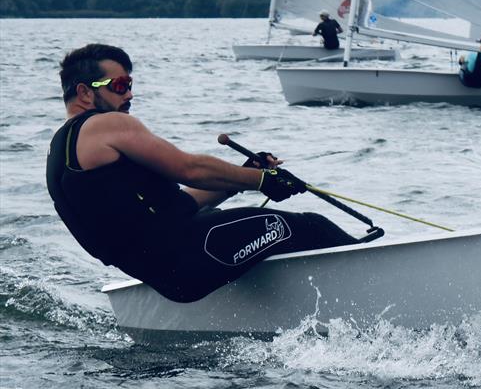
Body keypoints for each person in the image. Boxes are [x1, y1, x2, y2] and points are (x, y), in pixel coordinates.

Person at [46, 43, 362, 303]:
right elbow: (190, 168)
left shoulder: (60, 150)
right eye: (119, 86)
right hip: (190, 255)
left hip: (169, 279)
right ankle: (375, 274)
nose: (129, 95)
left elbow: (176, 207)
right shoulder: (106, 125)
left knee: (268, 235)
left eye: (130, 85)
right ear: (85, 93)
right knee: (310, 226)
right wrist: (265, 180)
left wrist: (241, 178)